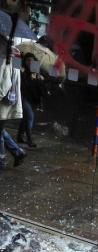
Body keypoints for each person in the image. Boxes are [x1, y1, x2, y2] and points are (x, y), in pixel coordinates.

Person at [0, 34, 26, 170]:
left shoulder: (5, 60)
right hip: (10, 102)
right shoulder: (16, 58)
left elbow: (3, 86)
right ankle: (18, 152)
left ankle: (2, 160)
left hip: (2, 104)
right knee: (1, 130)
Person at [17, 52, 46, 148]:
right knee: (30, 116)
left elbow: (41, 90)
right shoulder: (21, 71)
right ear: (24, 61)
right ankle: (29, 139)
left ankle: (20, 136)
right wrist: (28, 77)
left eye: (32, 60)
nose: (30, 62)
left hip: (32, 99)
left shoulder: (36, 73)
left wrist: (39, 79)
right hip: (22, 97)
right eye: (28, 60)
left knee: (25, 117)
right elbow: (21, 86)